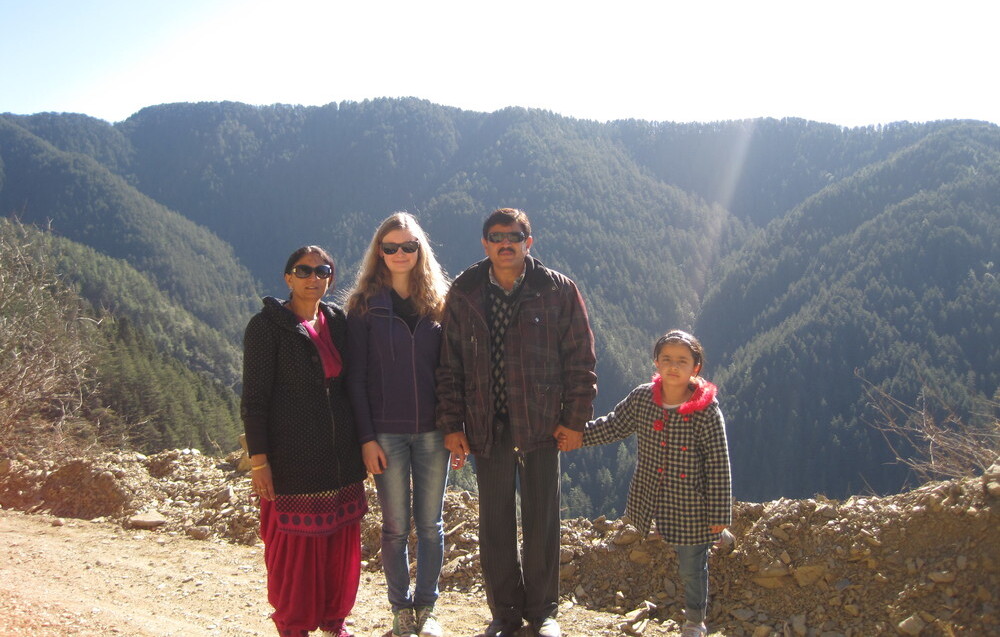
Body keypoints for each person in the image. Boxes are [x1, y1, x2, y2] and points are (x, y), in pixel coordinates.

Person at [436, 208, 598, 637]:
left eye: (514, 236)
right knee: (494, 523)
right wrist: (452, 425)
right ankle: (505, 615)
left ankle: (543, 614)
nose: (505, 243)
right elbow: (449, 364)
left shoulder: (557, 290)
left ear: (529, 241)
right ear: (484, 243)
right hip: (485, 424)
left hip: (542, 424)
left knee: (542, 520)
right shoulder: (466, 291)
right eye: (496, 236)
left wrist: (575, 420)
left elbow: (580, 359)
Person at [565, 329, 731, 637]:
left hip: (693, 502)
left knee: (691, 565)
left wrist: (719, 515)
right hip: (652, 493)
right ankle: (715, 535)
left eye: (682, 360)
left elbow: (718, 463)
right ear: (656, 362)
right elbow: (614, 425)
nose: (673, 366)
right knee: (668, 537)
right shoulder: (643, 398)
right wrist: (578, 436)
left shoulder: (706, 410)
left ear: (695, 367)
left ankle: (695, 620)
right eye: (666, 358)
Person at [241, 246, 367, 637]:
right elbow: (254, 400)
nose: (313, 278)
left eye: (322, 271)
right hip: (292, 461)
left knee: (339, 546)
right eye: (303, 270)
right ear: (288, 277)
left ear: (331, 277)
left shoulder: (336, 321)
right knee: (297, 551)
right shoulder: (267, 327)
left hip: (341, 460)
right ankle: (294, 626)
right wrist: (259, 462)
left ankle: (334, 620)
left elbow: (352, 385)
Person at [345, 212, 451, 637]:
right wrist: (366, 438)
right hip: (386, 433)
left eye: (409, 246)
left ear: (421, 249)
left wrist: (455, 428)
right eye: (391, 247)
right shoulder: (363, 306)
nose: (400, 253)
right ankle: (400, 610)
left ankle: (427, 609)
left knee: (431, 526)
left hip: (433, 432)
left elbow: (452, 372)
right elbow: (355, 378)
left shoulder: (440, 303)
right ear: (379, 252)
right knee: (394, 529)